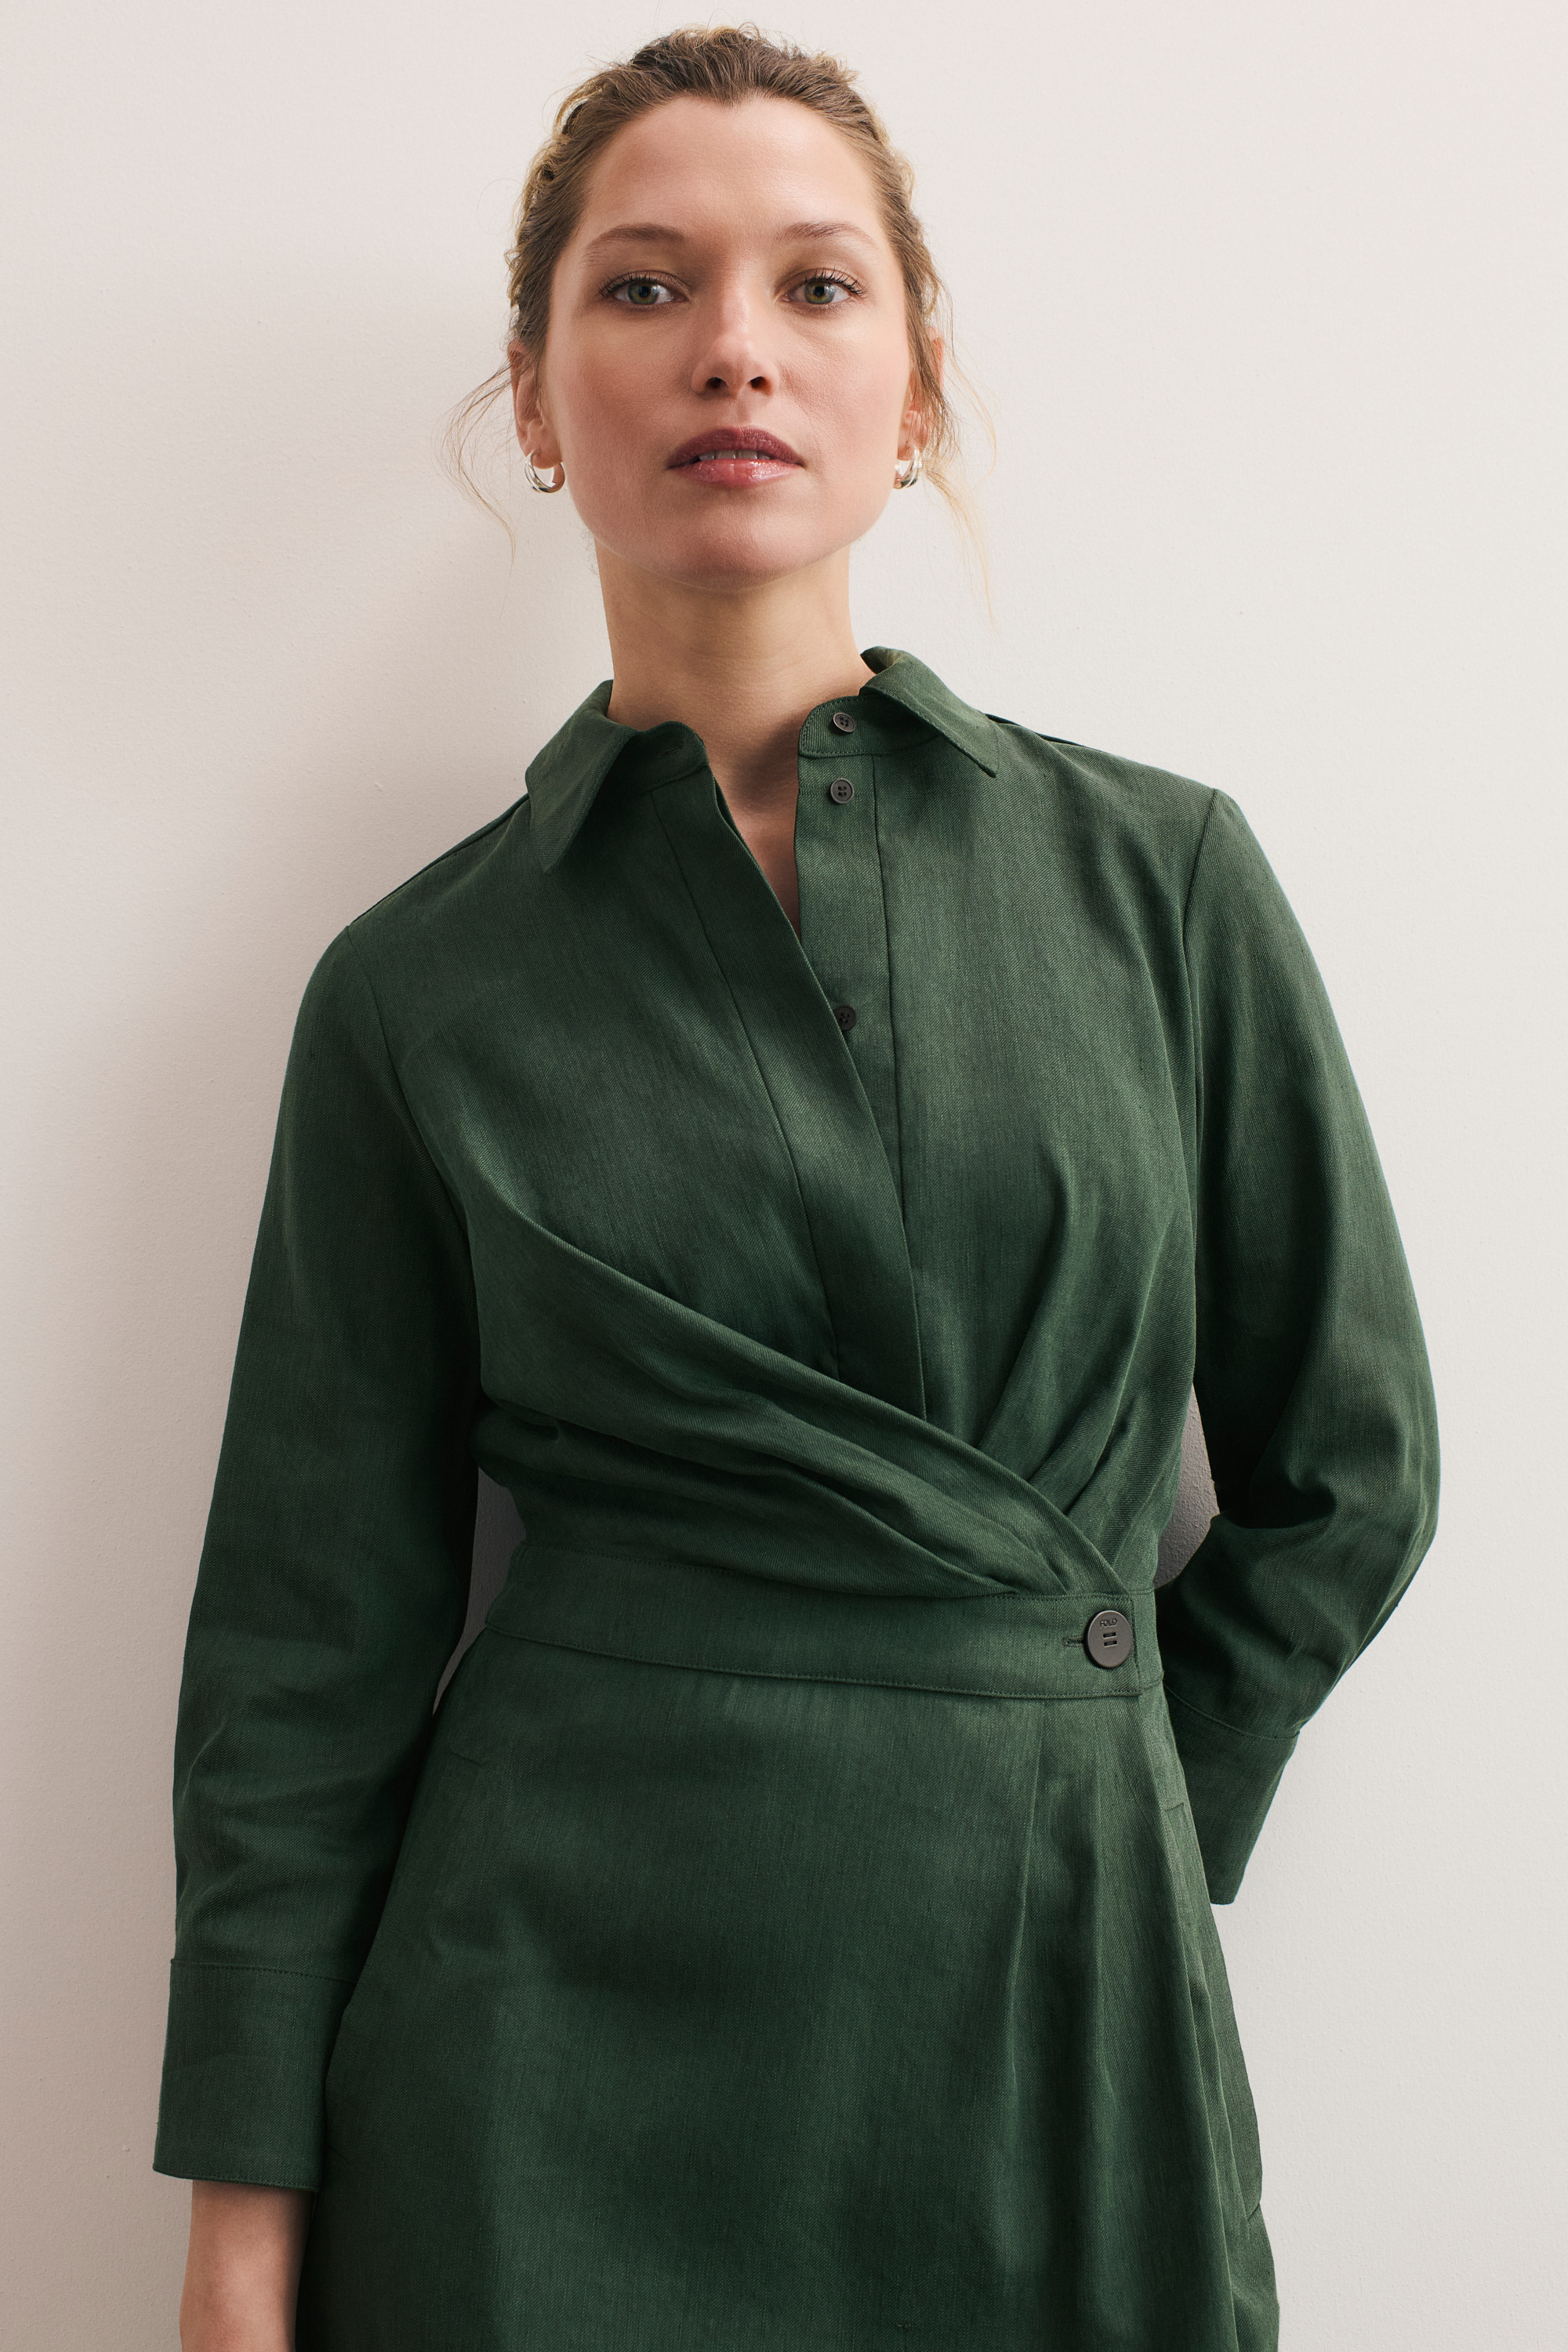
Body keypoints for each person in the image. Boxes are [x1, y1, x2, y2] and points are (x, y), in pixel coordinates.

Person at [155, 27, 1439, 2352]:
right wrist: (243, 2233)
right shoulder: (412, 986)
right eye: (644, 287)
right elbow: (303, 1644)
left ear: (915, 389)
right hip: (535, 2051)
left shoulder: (1161, 879)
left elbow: (1351, 1476)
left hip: (1057, 2010)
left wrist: (1123, 1800)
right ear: (538, 404)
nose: (733, 345)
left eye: (817, 285)